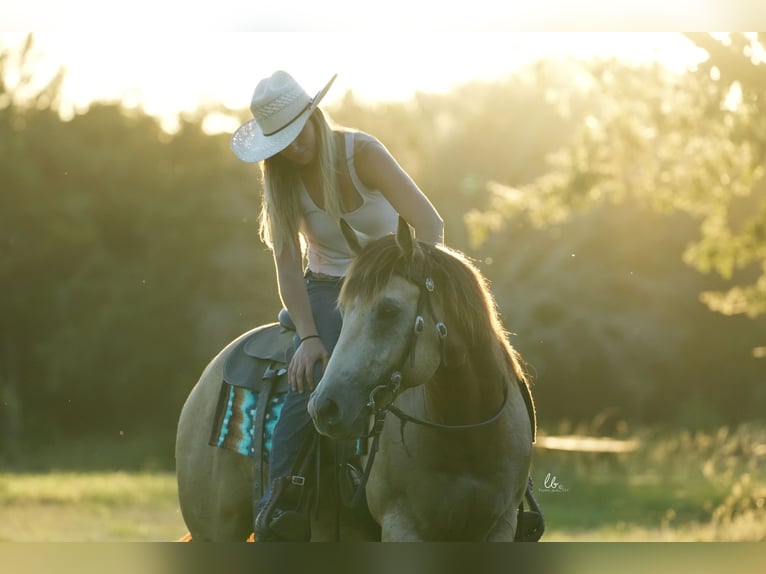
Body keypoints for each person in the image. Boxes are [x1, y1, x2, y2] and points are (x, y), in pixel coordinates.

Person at [231, 70, 444, 540]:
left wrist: (413, 279)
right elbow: (288, 267)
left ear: (314, 116)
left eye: (296, 133)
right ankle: (283, 502)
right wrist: (308, 337)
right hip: (328, 287)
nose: (292, 148)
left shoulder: (363, 154)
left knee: (470, 349)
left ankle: (512, 485)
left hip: (395, 277)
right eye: (280, 141)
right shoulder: (281, 180)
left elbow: (429, 224)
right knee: (309, 376)